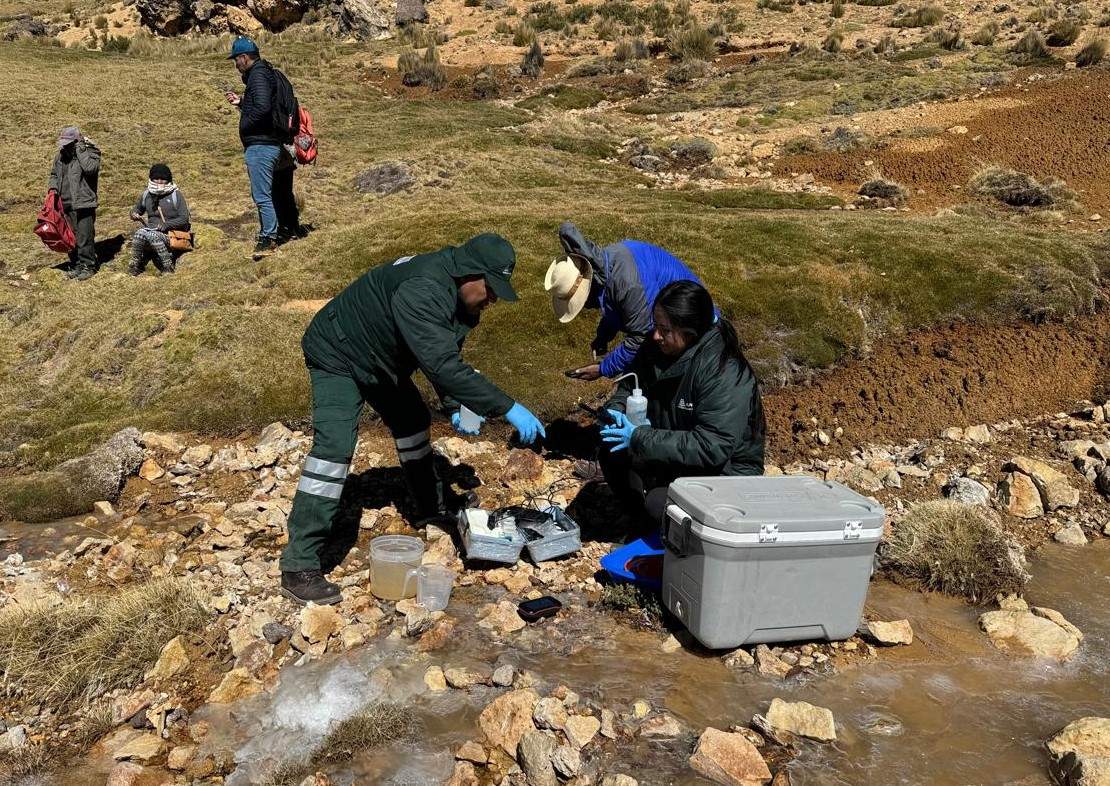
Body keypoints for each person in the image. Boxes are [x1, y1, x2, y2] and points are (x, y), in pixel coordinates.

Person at [280, 233, 547, 604]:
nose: (494, 299)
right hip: (337, 351)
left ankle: (429, 508)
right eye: (491, 288)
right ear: (469, 274)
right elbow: (442, 364)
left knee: (412, 420)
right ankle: (299, 565)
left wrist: (453, 404)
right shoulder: (423, 289)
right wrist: (507, 407)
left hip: (378, 359)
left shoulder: (462, 299)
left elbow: (443, 354)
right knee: (334, 448)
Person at [599, 280, 765, 528]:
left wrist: (641, 438)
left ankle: (669, 535)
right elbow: (630, 385)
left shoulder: (723, 370)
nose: (655, 335)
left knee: (659, 505)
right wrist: (617, 409)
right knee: (610, 448)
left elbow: (712, 446)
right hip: (673, 449)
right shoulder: (657, 345)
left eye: (664, 330)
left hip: (723, 472)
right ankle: (641, 521)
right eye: (655, 325)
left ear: (690, 333)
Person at [546, 221, 712, 381]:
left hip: (691, 327)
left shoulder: (628, 285)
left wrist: (603, 368)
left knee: (666, 382)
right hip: (667, 326)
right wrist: (603, 336)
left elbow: (640, 335)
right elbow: (615, 304)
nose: (586, 307)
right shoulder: (606, 265)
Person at [224, 36, 301, 261]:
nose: (235, 65)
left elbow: (263, 108)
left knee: (262, 195)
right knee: (279, 191)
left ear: (244, 57)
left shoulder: (257, 75)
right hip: (273, 142)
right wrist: (242, 102)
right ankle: (289, 228)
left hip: (260, 145)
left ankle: (268, 238)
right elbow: (262, 104)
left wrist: (245, 122)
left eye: (236, 60)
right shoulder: (266, 73)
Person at [47, 126, 100, 281]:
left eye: (69, 142)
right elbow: (54, 174)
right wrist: (53, 188)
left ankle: (88, 266)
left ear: (77, 141)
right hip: (65, 203)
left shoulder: (91, 152)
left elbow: (91, 169)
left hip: (84, 202)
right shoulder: (60, 155)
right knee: (71, 236)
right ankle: (77, 264)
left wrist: (81, 149)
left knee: (85, 237)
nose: (65, 145)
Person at [128, 163, 191, 276]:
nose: (159, 181)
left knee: (151, 235)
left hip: (172, 235)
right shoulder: (146, 194)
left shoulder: (176, 195)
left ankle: (167, 266)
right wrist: (134, 214)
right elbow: (136, 210)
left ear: (168, 180)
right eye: (156, 179)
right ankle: (135, 265)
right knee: (139, 233)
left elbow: (184, 218)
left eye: (163, 179)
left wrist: (167, 225)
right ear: (151, 179)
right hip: (150, 232)